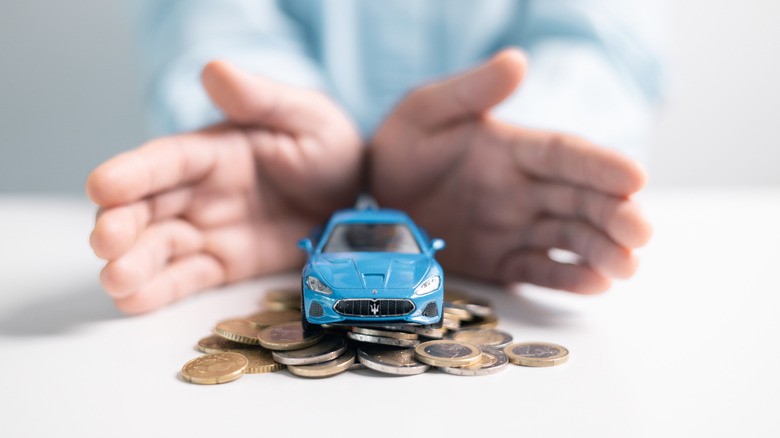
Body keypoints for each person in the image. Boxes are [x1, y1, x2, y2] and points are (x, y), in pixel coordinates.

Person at [87, 1, 661, 314]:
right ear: (312, 248)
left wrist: (519, 131)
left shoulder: (415, 256)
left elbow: (601, 33)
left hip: (496, 168)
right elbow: (208, 17)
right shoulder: (324, 250)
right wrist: (263, 117)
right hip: (269, 187)